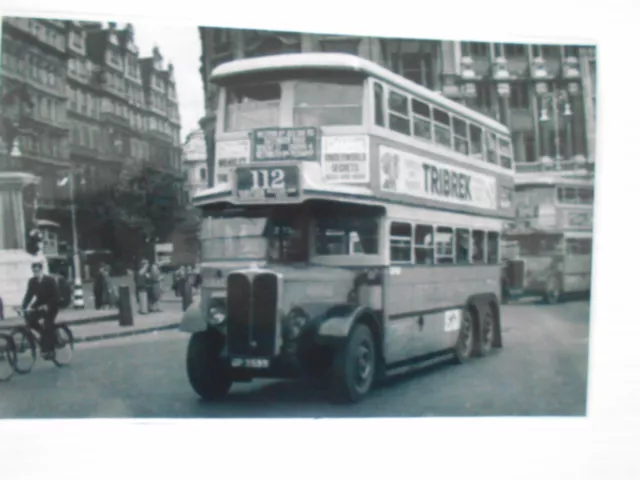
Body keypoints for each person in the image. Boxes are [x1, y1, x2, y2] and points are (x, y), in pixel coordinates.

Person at [21, 262, 60, 359]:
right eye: (34, 271)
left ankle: (49, 350)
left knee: (48, 324)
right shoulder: (32, 281)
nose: (35, 273)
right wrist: (23, 307)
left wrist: (47, 305)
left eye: (37, 271)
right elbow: (29, 295)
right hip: (39, 304)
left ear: (41, 270)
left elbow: (56, 295)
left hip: (51, 305)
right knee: (31, 321)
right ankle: (43, 336)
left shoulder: (49, 280)